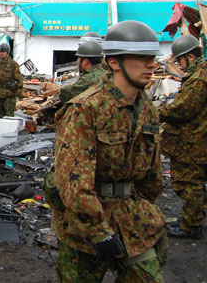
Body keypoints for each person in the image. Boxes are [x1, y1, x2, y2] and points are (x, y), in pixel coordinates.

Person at [52, 20, 166, 282]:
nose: (151, 65)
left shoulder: (146, 108)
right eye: (141, 58)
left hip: (130, 218)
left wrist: (148, 210)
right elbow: (73, 181)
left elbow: (152, 172)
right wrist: (98, 231)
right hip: (85, 225)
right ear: (114, 63)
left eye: (152, 58)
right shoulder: (86, 108)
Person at [159, 34, 207, 239]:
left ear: (191, 57)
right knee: (193, 183)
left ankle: (192, 225)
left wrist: (158, 111)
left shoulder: (199, 78)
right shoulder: (199, 75)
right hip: (195, 139)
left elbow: (182, 110)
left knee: (189, 183)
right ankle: (192, 219)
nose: (178, 64)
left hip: (193, 142)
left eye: (179, 60)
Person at [0, 42, 23, 118]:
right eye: (0, 52)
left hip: (9, 95)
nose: (1, 54)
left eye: (3, 52)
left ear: (7, 53)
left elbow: (19, 80)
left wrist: (19, 93)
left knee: (9, 116)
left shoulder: (13, 65)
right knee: (0, 115)